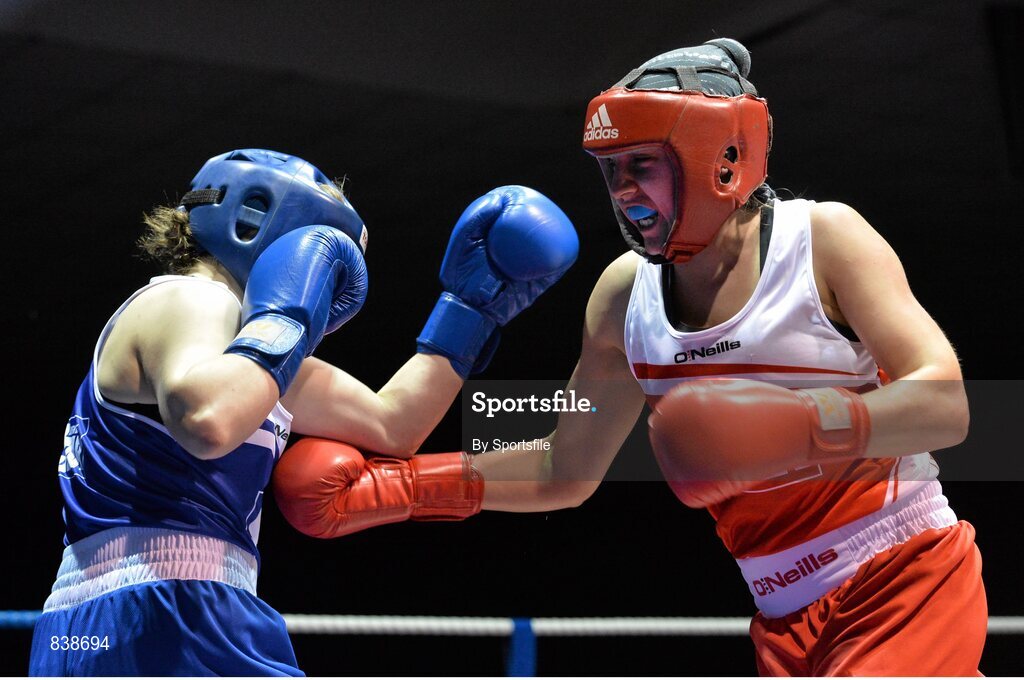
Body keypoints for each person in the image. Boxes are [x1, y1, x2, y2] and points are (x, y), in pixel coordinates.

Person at [274, 40, 987, 676]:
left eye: (642, 165)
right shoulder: (624, 296)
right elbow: (565, 463)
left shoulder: (822, 239)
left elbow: (945, 402)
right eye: (610, 170)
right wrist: (398, 488)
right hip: (784, 618)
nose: (623, 192)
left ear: (724, 158)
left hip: (902, 575)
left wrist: (801, 424)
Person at [29, 148, 577, 676]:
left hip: (105, 619)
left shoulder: (252, 362)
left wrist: (471, 309)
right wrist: (289, 319)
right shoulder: (190, 299)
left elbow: (395, 425)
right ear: (255, 222)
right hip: (165, 608)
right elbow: (207, 422)